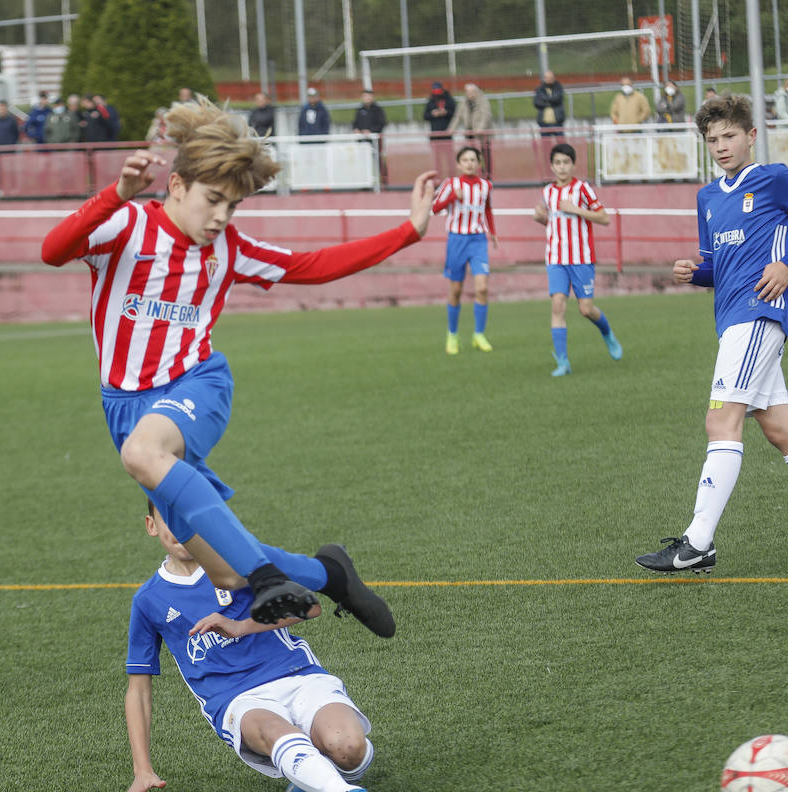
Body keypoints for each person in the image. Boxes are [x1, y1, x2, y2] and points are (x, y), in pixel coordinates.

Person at [41, 98, 437, 630]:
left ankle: (269, 578)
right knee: (224, 573)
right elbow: (52, 250)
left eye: (233, 205)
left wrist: (408, 231)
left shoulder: (226, 249)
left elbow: (311, 266)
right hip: (125, 406)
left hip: (195, 384)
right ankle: (330, 574)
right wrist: (116, 194)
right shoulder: (127, 225)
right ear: (177, 185)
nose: (223, 216)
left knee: (143, 452)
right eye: (214, 200)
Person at [635, 94, 788, 576]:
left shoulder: (774, 179)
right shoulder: (707, 198)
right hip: (732, 322)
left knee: (719, 423)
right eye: (712, 139)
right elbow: (717, 269)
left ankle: (697, 543)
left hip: (760, 316)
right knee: (782, 430)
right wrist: (693, 273)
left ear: (750, 136)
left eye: (729, 136)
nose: (721, 146)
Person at [114, 504, 395, 792]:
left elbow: (311, 608)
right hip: (237, 700)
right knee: (276, 733)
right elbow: (138, 691)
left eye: (185, 519)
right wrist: (142, 769)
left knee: (349, 750)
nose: (178, 529)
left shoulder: (235, 564)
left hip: (296, 675)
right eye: (168, 521)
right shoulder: (149, 600)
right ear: (151, 525)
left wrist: (240, 626)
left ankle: (311, 766)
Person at [531, 143, 620, 377]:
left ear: (573, 164)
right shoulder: (547, 192)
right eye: (557, 163)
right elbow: (552, 221)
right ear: (552, 166)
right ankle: (563, 362)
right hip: (555, 258)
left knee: (586, 309)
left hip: (581, 258)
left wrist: (576, 210)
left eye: (566, 163)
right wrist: (541, 218)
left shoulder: (582, 189)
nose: (561, 167)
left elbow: (603, 218)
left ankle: (607, 333)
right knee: (557, 305)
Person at [432, 146, 497, 355]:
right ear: (459, 164)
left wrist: (493, 232)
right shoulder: (451, 184)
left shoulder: (486, 186)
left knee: (482, 288)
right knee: (456, 290)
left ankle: (479, 334)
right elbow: (434, 208)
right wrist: (452, 197)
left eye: (473, 159)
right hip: (457, 240)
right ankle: (452, 335)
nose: (469, 163)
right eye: (465, 160)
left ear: (478, 163)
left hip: (478, 240)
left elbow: (487, 208)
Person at [533, 70, 565, 136]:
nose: (548, 79)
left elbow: (557, 99)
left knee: (561, 143)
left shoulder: (558, 87)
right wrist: (550, 102)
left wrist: (545, 100)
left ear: (553, 78)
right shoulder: (539, 89)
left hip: (557, 121)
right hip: (544, 123)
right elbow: (537, 102)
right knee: (546, 144)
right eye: (546, 77)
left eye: (550, 78)